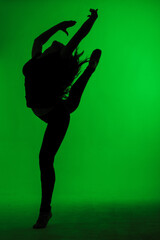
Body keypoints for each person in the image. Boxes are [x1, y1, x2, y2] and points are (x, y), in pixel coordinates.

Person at [22, 8, 102, 229]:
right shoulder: (37, 58)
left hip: (56, 115)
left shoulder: (57, 58)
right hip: (45, 110)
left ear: (59, 52)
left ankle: (45, 211)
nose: (54, 44)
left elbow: (79, 36)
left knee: (45, 158)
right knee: (70, 102)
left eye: (57, 45)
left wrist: (93, 19)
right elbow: (39, 38)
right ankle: (90, 70)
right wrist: (58, 26)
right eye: (53, 43)